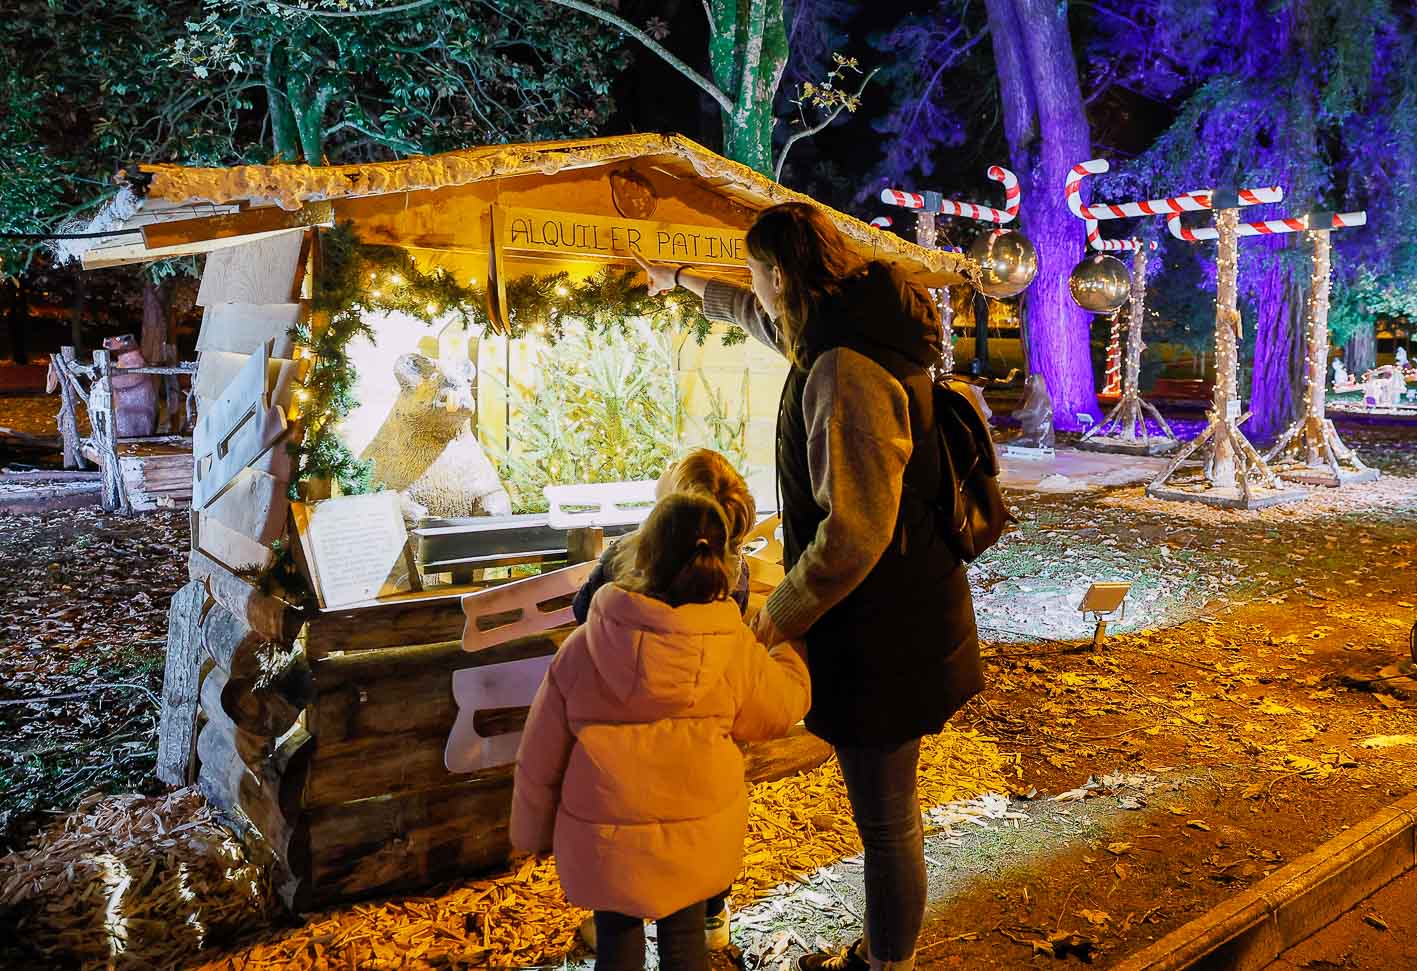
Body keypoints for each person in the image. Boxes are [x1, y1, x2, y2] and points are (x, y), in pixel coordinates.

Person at [634, 203, 984, 971]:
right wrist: (685, 281)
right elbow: (768, 326)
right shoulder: (848, 326)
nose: (754, 289)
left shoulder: (844, 370)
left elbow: (854, 532)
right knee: (889, 810)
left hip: (888, 628)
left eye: (756, 275)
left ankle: (886, 962)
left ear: (783, 275)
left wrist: (774, 614)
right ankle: (887, 951)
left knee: (887, 819)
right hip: (901, 613)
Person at [511, 491, 811, 971]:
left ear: (645, 550)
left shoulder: (586, 644)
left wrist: (531, 832)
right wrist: (790, 649)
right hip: (695, 839)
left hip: (606, 841)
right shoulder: (731, 646)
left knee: (617, 939)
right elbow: (779, 709)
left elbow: (539, 754)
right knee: (685, 937)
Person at [568, 448, 757, 953]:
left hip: (625, 733)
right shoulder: (733, 571)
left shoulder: (626, 555)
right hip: (702, 734)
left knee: (630, 825)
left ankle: (620, 922)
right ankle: (710, 912)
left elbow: (582, 611)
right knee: (695, 826)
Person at [573, 448, 755, 628]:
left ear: (678, 502)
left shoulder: (627, 551)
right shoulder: (736, 572)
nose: (671, 465)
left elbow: (583, 610)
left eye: (675, 468)